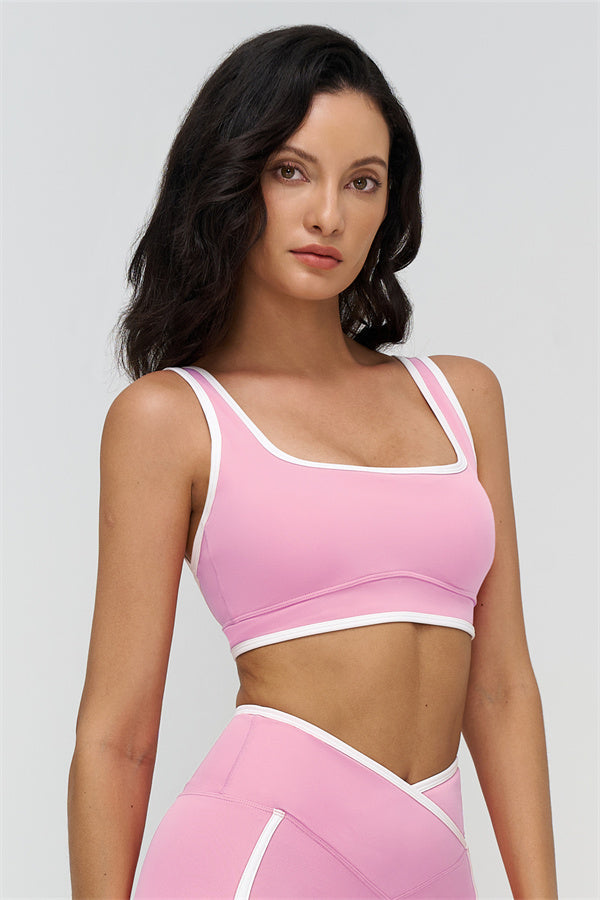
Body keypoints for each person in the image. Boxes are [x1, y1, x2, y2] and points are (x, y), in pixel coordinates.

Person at [67, 23, 558, 899]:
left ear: (389, 204)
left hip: (435, 866)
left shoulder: (462, 398)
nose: (329, 214)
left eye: (362, 181)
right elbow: (117, 738)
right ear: (233, 180)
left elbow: (503, 690)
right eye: (291, 171)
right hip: (257, 861)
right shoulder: (173, 419)